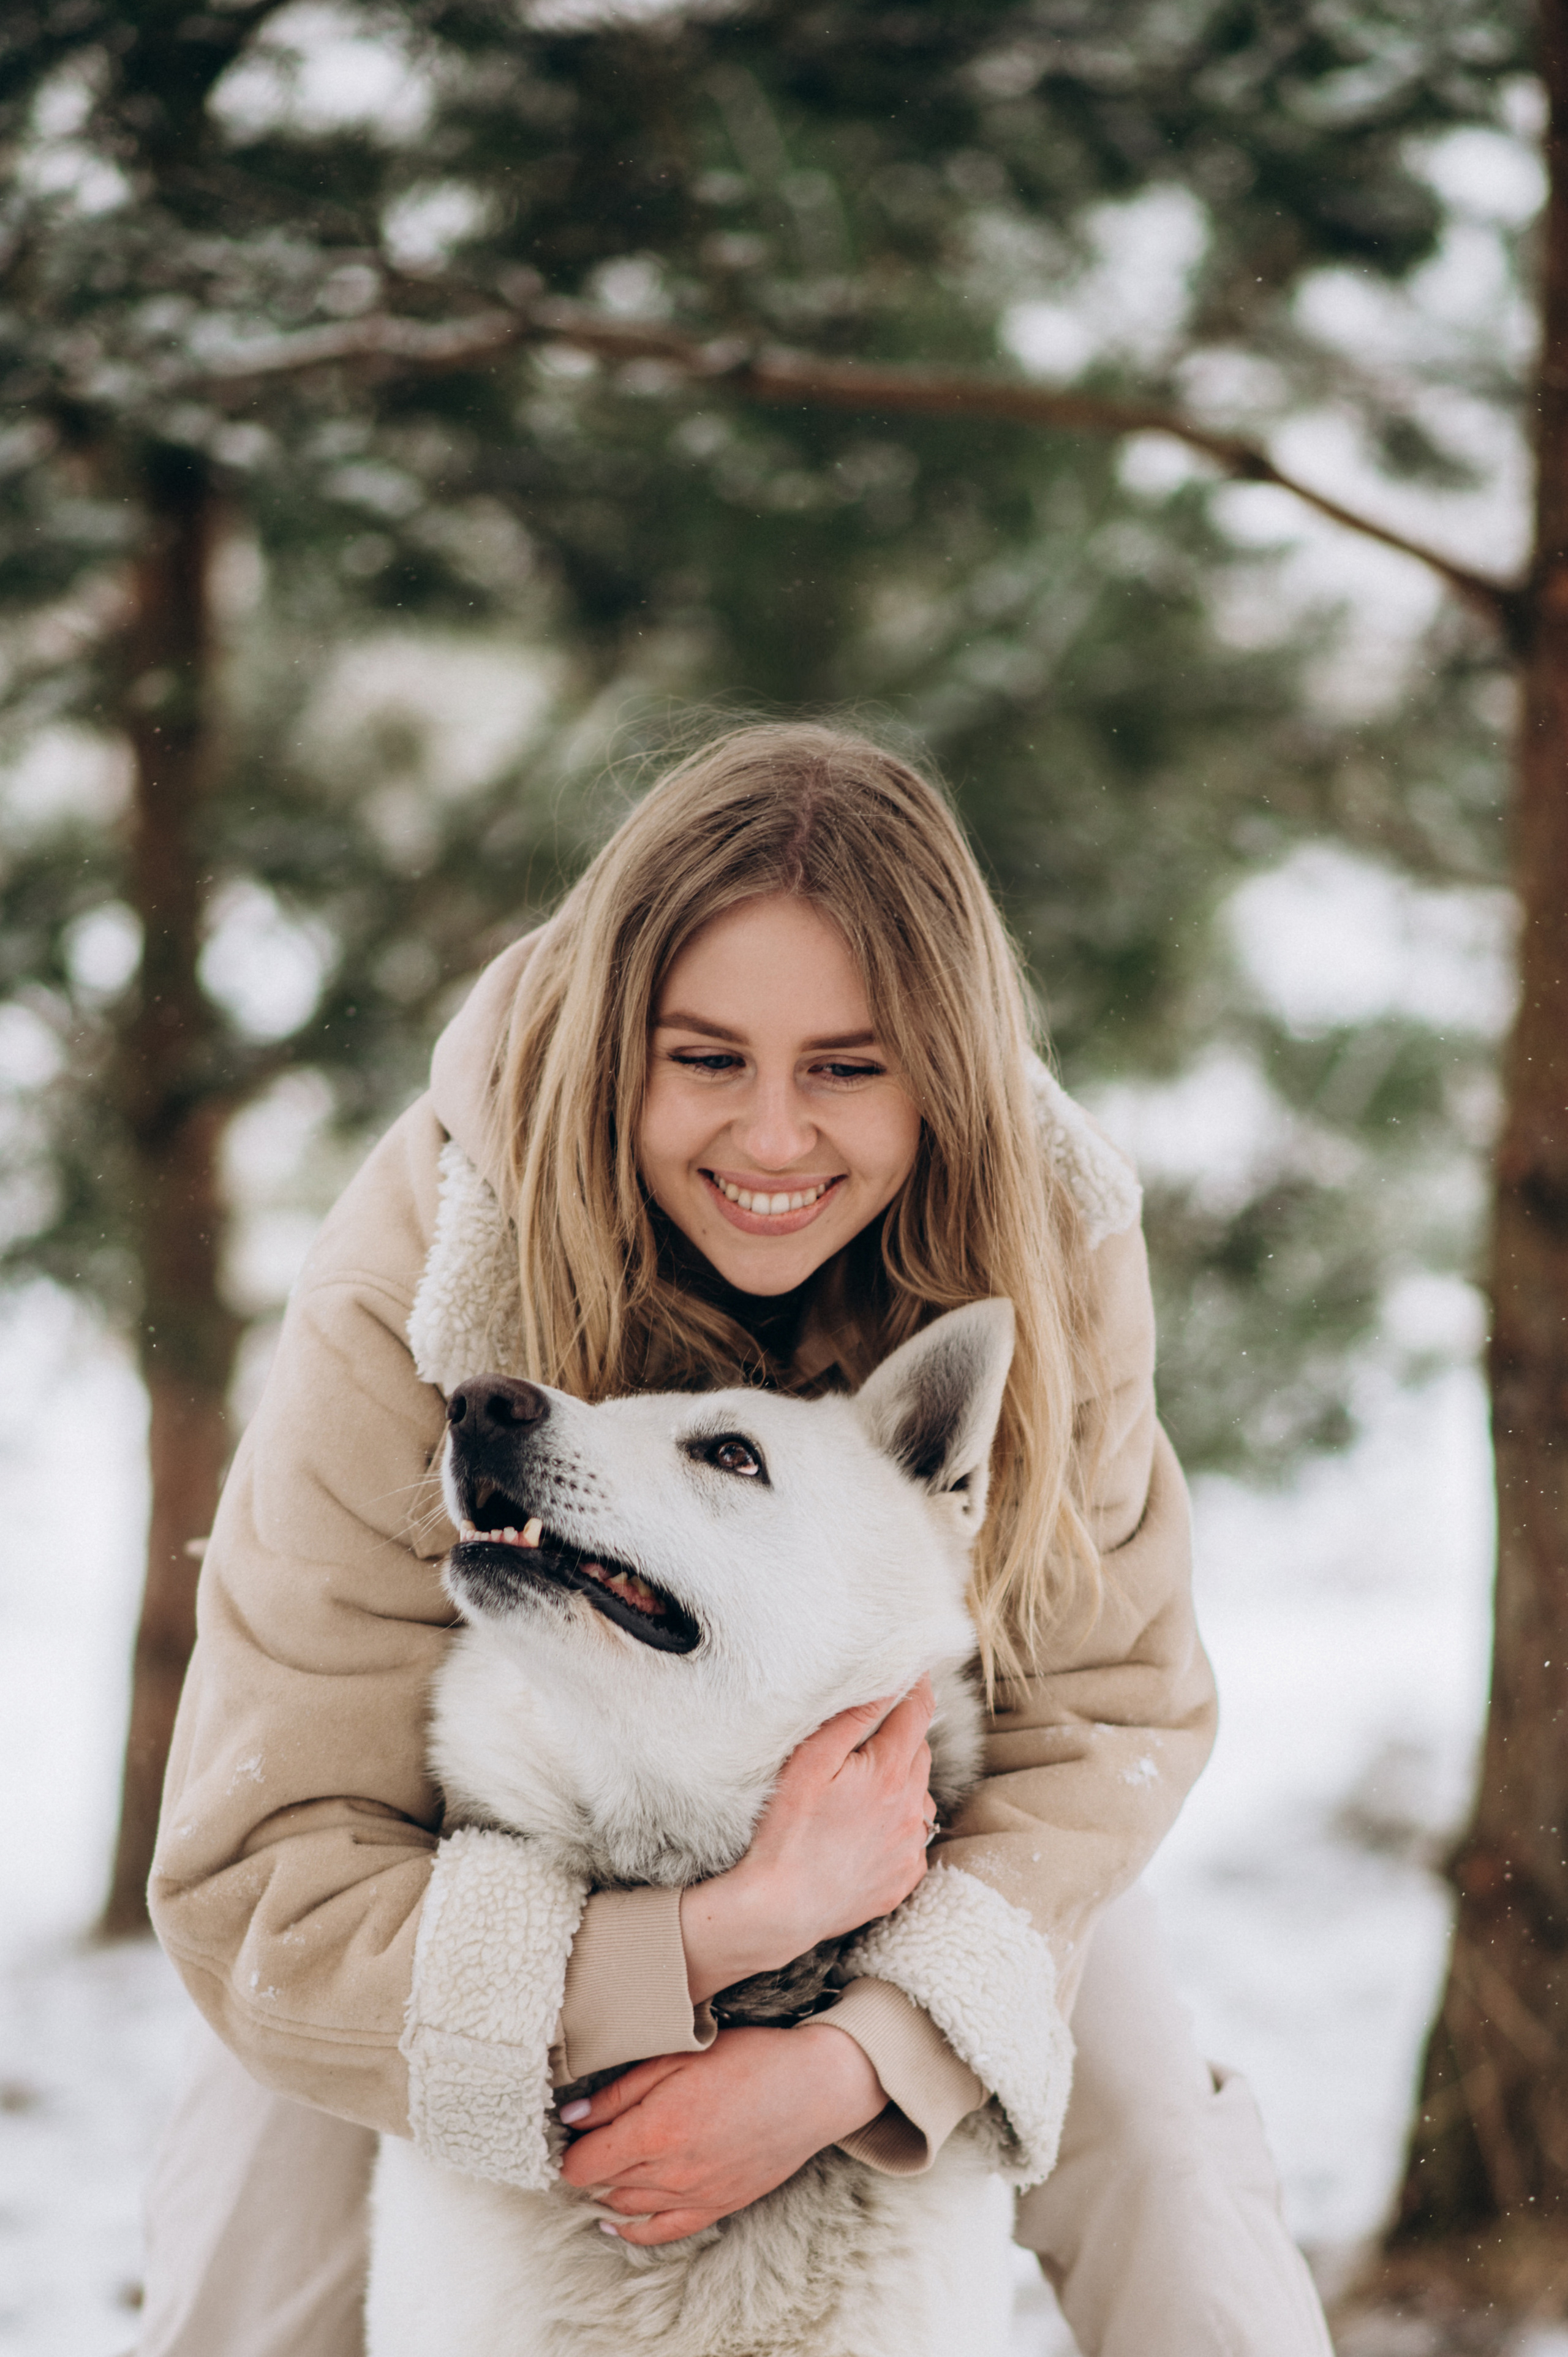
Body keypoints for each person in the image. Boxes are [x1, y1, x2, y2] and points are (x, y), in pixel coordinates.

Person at [139, 723, 1333, 2356]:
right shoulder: (420, 1270)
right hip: (457, 1856)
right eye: (705, 1061)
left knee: (1158, 2170)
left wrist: (870, 2051)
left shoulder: (1048, 1246)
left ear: (945, 1070)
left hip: (933, 1853)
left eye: (849, 1068)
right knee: (255, 2267)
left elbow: (1109, 1716)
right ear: (617, 1047)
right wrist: (699, 1950)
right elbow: (267, 1874)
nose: (774, 1143)